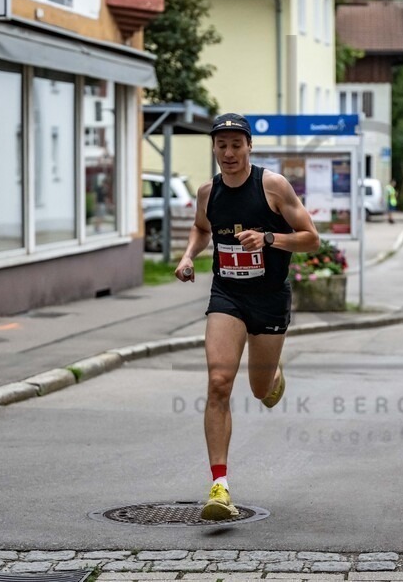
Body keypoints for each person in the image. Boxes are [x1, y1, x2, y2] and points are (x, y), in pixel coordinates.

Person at [175, 113, 320, 521]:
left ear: (249, 146)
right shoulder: (209, 192)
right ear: (214, 148)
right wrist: (188, 256)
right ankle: (219, 486)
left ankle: (273, 375)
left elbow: (311, 238)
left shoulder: (272, 186)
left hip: (269, 299)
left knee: (260, 390)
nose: (229, 153)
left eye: (236, 145)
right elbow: (201, 228)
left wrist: (269, 238)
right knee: (219, 382)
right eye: (221, 145)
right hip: (228, 295)